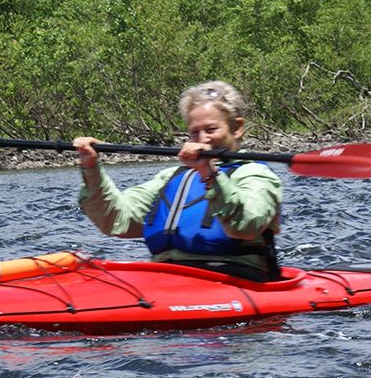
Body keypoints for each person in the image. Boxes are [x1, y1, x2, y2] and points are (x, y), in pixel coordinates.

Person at [74, 81, 283, 282]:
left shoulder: (256, 175)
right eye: (194, 132)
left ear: (236, 128)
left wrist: (208, 171)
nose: (202, 139)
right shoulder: (172, 177)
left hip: (236, 279)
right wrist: (91, 168)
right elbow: (117, 219)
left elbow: (245, 225)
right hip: (167, 278)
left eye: (211, 130)